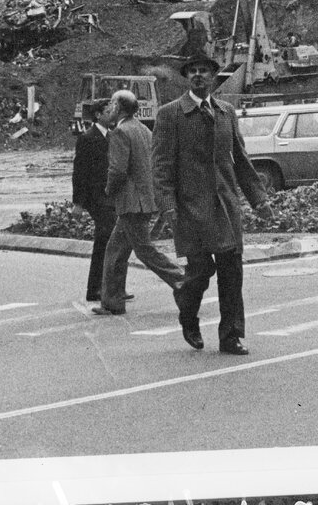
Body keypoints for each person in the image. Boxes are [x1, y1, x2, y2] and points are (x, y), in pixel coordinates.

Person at [152, 55, 273, 356]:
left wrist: (259, 200)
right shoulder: (170, 114)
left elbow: (241, 161)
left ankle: (231, 336)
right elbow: (161, 165)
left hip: (225, 206)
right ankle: (187, 312)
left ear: (213, 76)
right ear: (186, 77)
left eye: (203, 71)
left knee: (232, 272)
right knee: (199, 271)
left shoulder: (226, 112)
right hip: (190, 208)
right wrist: (168, 207)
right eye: (192, 71)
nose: (198, 76)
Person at [93, 91, 186, 316]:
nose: (111, 106)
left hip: (130, 202)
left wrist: (108, 192)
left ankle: (184, 282)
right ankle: (112, 301)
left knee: (144, 250)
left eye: (113, 102)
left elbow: (117, 170)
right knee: (116, 251)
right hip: (144, 200)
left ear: (119, 107)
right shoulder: (144, 130)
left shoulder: (120, 133)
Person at [71, 99, 120, 304]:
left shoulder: (112, 136)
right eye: (109, 110)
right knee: (105, 239)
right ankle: (96, 288)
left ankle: (109, 287)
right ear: (98, 115)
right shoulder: (87, 138)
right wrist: (78, 203)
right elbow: (79, 172)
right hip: (95, 198)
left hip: (109, 197)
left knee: (111, 240)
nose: (113, 113)